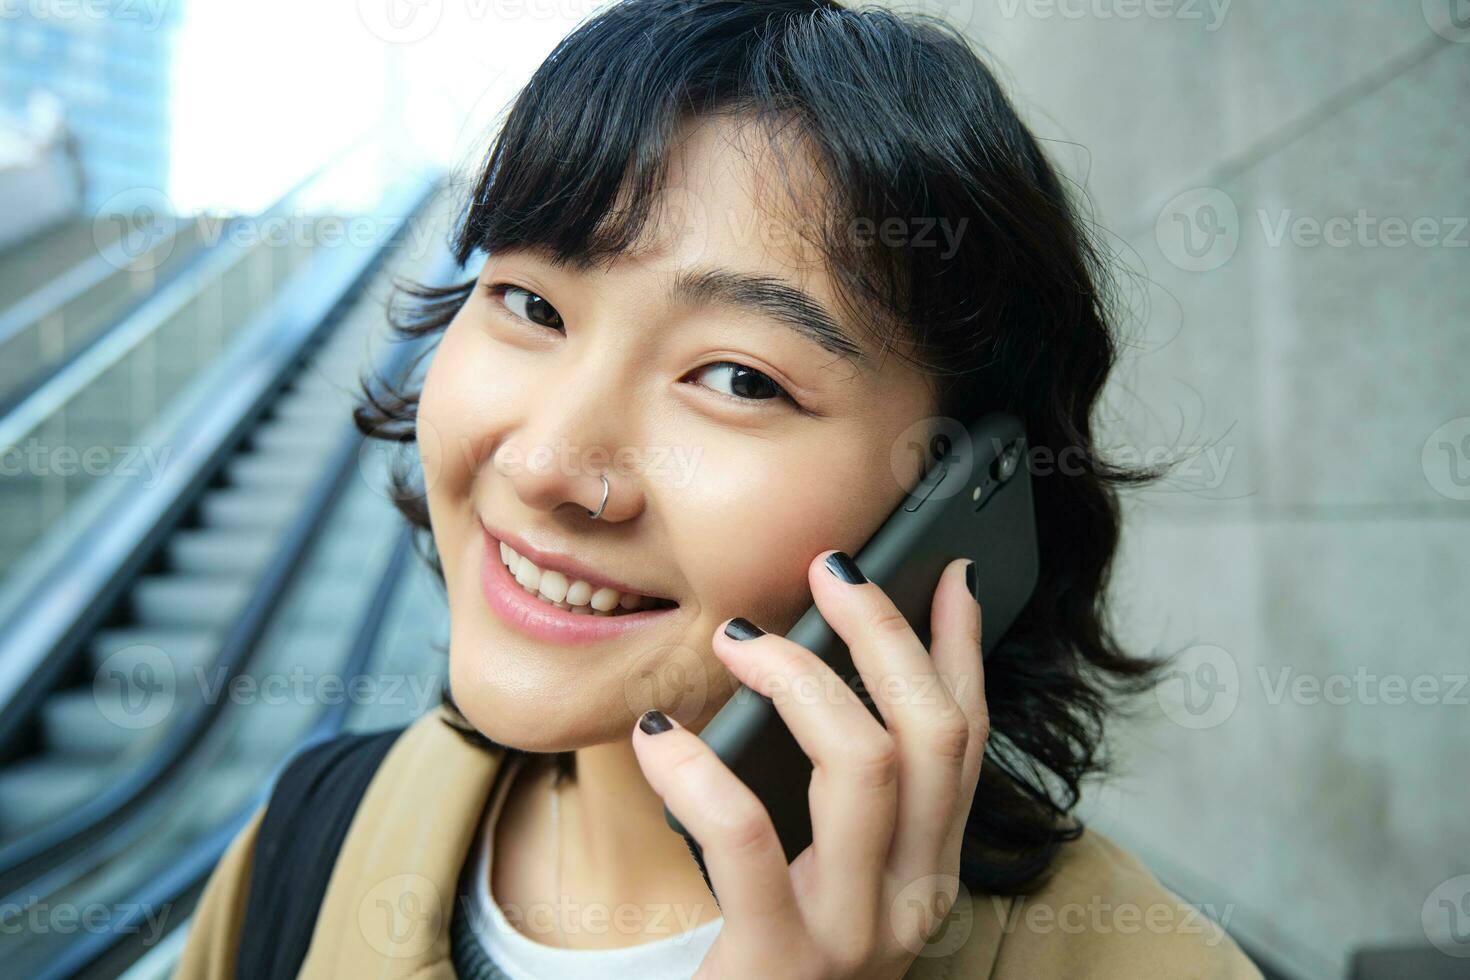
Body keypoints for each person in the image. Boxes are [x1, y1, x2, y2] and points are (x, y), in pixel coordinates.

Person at [177, 1, 1264, 976]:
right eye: (531, 304)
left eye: (737, 377)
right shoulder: (310, 844)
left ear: (954, 494)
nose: (547, 463)